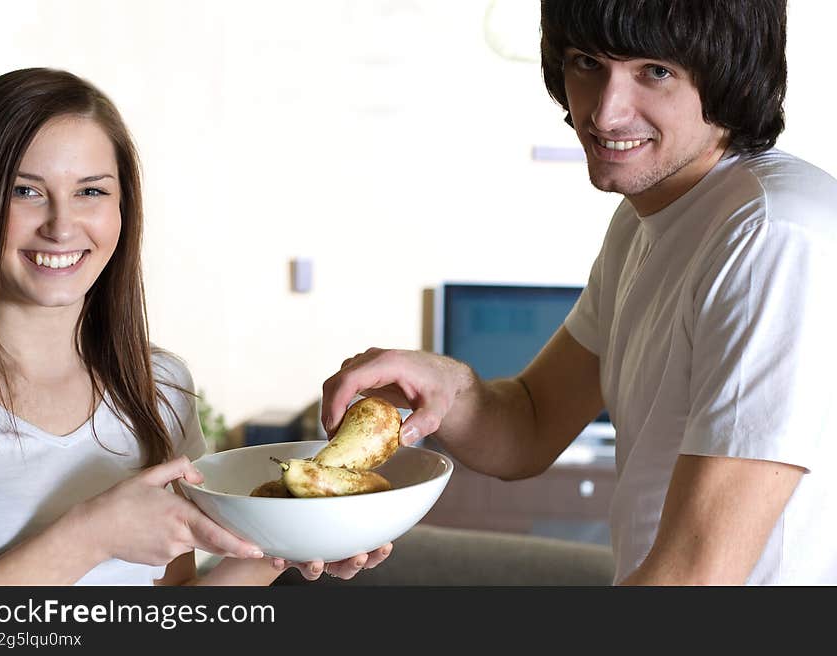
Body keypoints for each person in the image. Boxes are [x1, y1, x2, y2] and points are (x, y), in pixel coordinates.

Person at [320, 0, 837, 585]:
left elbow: (697, 576)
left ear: (730, 72)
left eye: (655, 71)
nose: (606, 113)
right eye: (587, 62)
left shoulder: (772, 235)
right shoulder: (648, 219)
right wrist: (443, 384)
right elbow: (530, 427)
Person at [0, 68, 391, 585]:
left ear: (123, 209)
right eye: (24, 191)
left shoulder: (159, 386)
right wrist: (91, 535)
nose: (62, 226)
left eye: (90, 192)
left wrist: (293, 539)